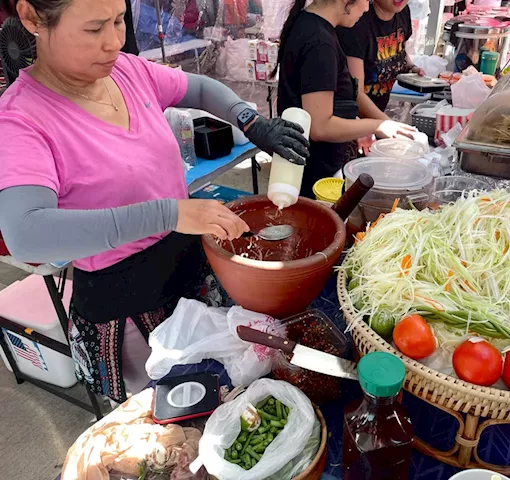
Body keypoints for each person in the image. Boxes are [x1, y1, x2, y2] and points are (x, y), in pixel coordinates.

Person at [0, 0, 309, 402]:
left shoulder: (127, 71)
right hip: (129, 307)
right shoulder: (21, 120)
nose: (113, 42)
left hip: (189, 274)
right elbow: (27, 234)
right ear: (31, 18)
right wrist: (170, 212)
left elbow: (196, 88)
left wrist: (249, 120)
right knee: (172, 425)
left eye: (118, 21)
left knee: (230, 397)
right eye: (94, 29)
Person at [276, 0, 416, 198]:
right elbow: (320, 127)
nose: (368, 8)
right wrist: (377, 126)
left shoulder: (311, 25)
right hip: (314, 173)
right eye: (366, 0)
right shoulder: (319, 42)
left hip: (314, 165)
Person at [337, 0, 424, 120]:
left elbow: (399, 50)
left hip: (377, 115)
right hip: (351, 121)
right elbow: (356, 93)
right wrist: (388, 125)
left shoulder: (403, 12)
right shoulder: (357, 22)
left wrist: (411, 67)